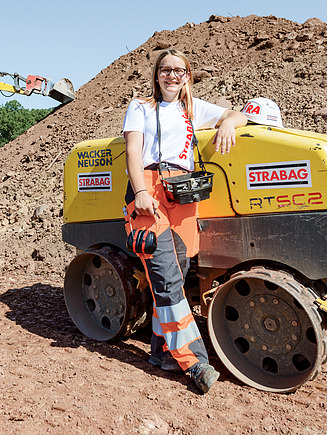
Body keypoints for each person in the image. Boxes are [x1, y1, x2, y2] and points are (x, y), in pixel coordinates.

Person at [123, 49, 247, 394]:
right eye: (166, 70)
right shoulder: (140, 107)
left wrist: (226, 124)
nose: (172, 75)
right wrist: (140, 192)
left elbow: (240, 115)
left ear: (188, 75)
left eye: (179, 70)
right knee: (165, 276)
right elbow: (133, 151)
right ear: (156, 75)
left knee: (176, 274)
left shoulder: (192, 109)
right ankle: (195, 363)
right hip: (149, 192)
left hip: (183, 197)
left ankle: (162, 354)